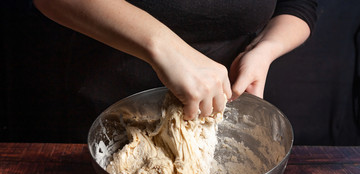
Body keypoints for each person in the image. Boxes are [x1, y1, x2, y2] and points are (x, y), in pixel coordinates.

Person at [33, 0, 317, 121]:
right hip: (102, 113)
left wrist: (264, 49)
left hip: (224, 114)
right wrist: (165, 48)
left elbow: (299, 4)